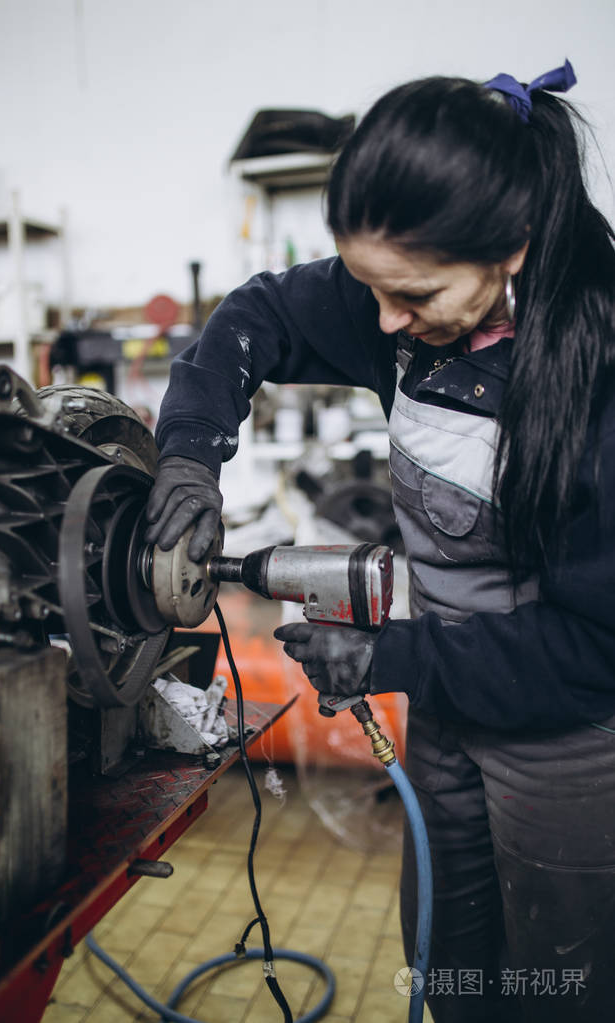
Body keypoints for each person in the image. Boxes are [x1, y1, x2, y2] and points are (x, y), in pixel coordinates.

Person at [144, 61, 615, 1022]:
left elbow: (596, 645)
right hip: (444, 707)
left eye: (413, 295)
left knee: (559, 989)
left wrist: (393, 653)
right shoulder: (400, 305)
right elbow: (260, 314)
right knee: (446, 970)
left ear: (512, 248)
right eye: (369, 289)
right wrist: (190, 455)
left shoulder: (595, 370)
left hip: (570, 741)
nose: (385, 324)